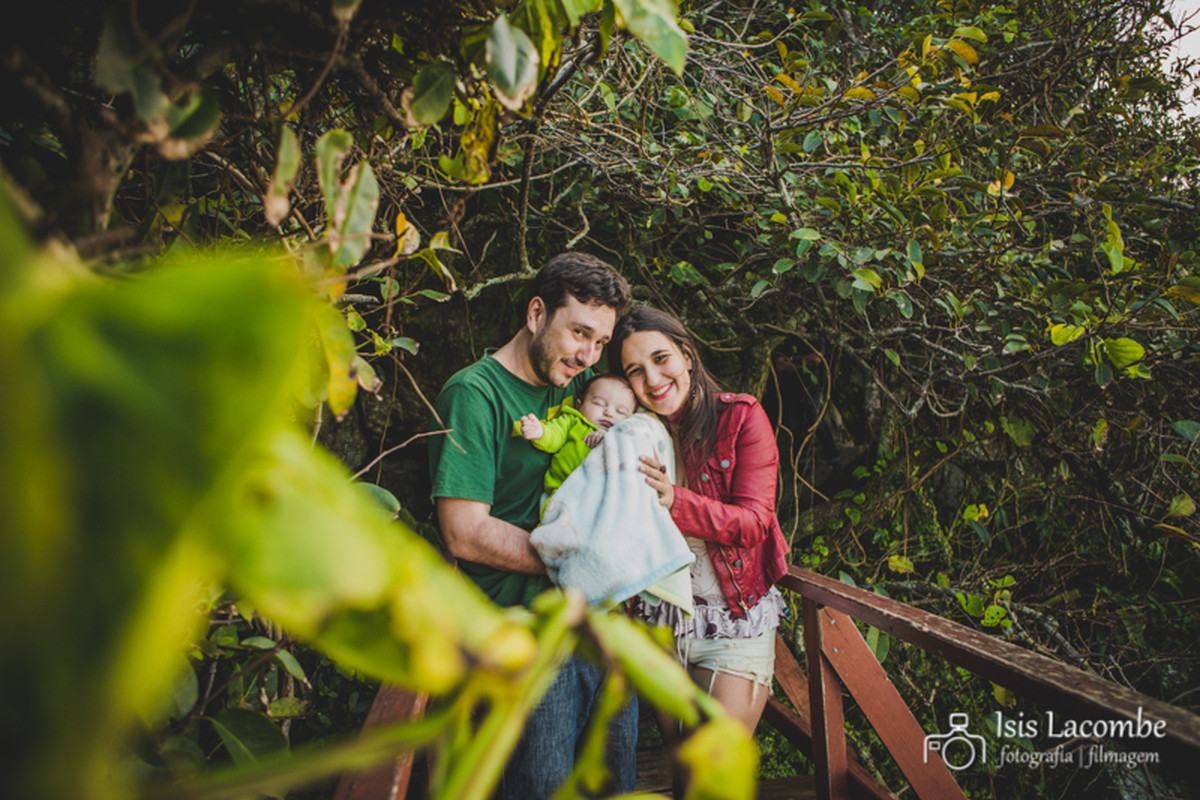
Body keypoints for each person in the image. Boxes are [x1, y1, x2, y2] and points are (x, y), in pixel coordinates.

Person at [427, 252, 634, 800]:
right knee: (539, 788)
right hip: (520, 628)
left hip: (594, 619)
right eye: (579, 333)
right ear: (537, 314)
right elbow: (465, 531)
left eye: (599, 342)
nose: (587, 355)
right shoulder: (475, 395)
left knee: (613, 782)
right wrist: (584, 563)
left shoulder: (581, 384)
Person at [610, 305, 790, 733]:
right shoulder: (632, 435)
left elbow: (753, 524)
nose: (652, 380)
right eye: (635, 371)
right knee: (683, 776)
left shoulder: (740, 417)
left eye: (660, 359)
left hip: (733, 623)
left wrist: (675, 500)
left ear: (687, 355)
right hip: (661, 625)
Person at [519, 374, 637, 502]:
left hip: (600, 496)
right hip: (562, 492)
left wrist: (610, 438)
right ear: (579, 405)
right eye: (599, 403)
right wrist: (541, 432)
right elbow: (556, 434)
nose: (609, 413)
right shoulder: (574, 421)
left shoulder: (623, 436)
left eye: (620, 412)